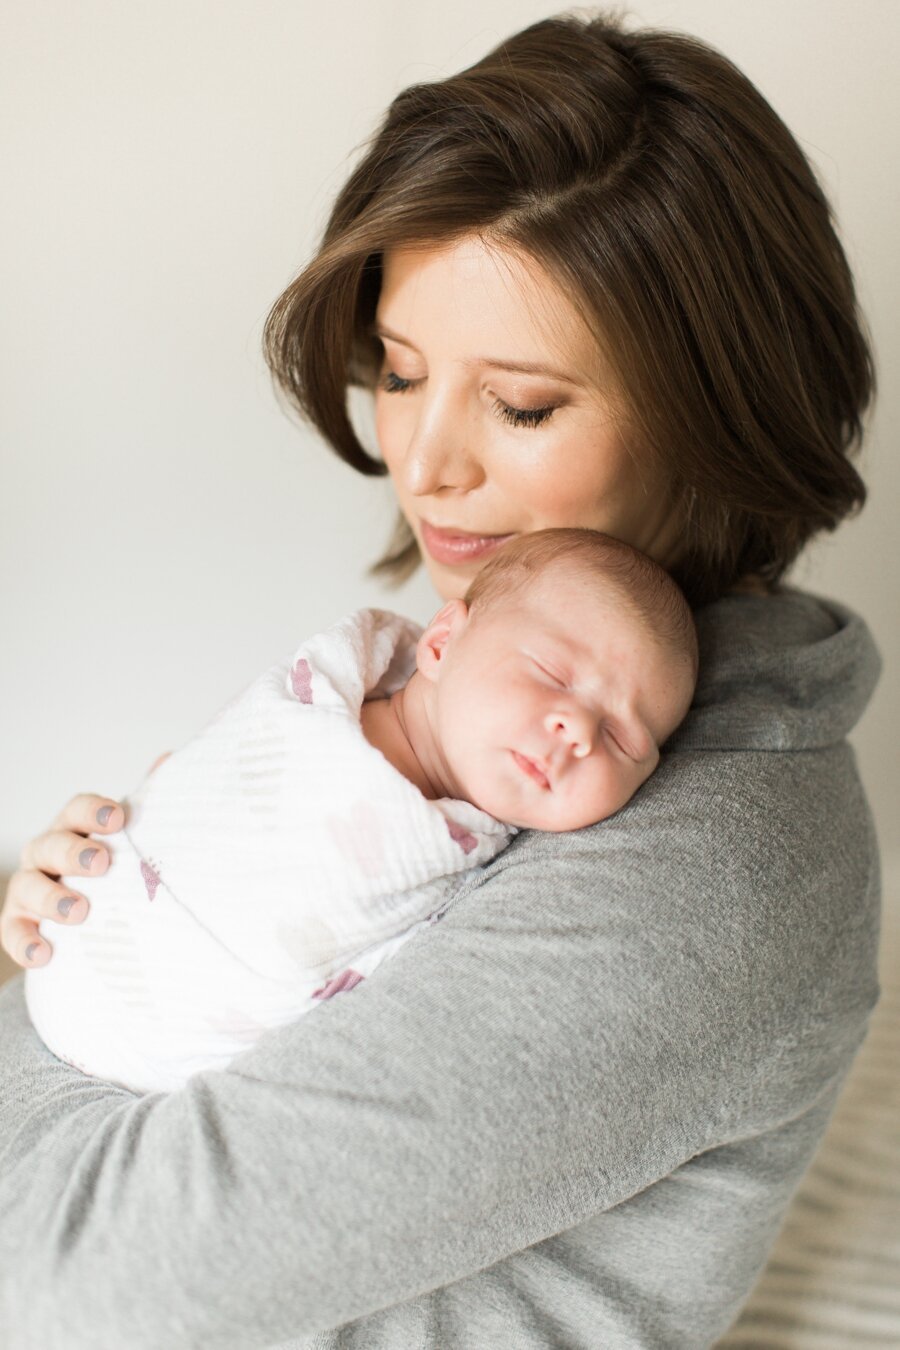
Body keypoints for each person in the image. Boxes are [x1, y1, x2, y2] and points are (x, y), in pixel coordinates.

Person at [0, 11, 881, 1349]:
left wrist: (36, 1016)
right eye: (402, 374)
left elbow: (73, 1283)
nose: (425, 465)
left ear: (716, 407)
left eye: (523, 406)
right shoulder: (476, 692)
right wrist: (82, 914)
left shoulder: (713, 861)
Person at [24, 530, 698, 1096]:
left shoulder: (509, 872)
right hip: (75, 927)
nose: (577, 731)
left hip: (167, 1071)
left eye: (622, 739)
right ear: (438, 645)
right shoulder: (320, 699)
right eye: (552, 672)